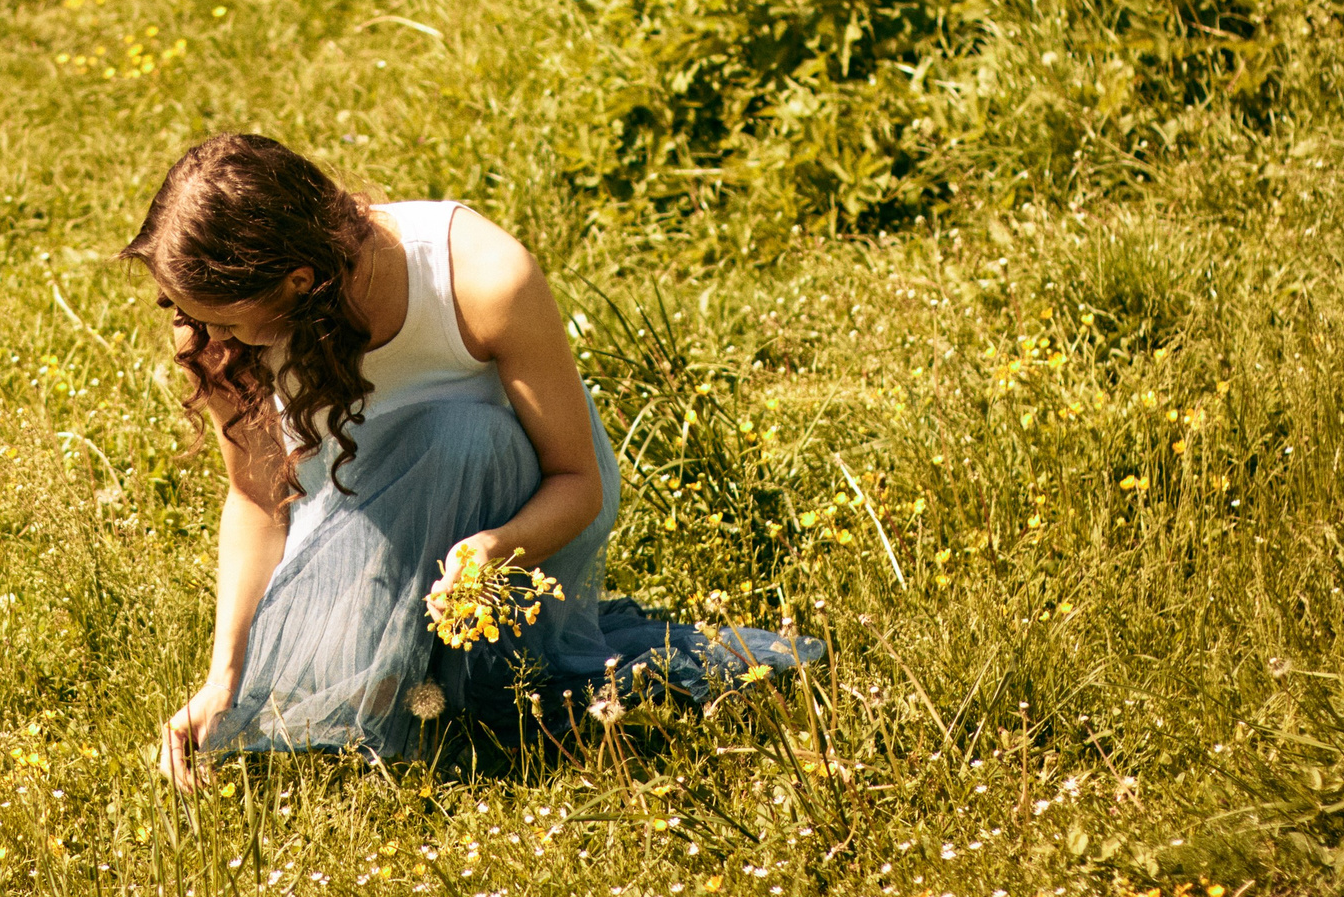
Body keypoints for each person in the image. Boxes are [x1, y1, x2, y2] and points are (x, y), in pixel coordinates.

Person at [121, 133, 822, 787]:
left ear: (299, 280)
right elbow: (257, 499)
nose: (204, 333)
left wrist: (494, 549)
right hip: (365, 530)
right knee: (309, 711)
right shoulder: (217, 333)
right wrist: (225, 678)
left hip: (512, 516)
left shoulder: (482, 276)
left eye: (222, 316)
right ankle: (400, 684)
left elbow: (580, 483)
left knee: (459, 435)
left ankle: (433, 689)